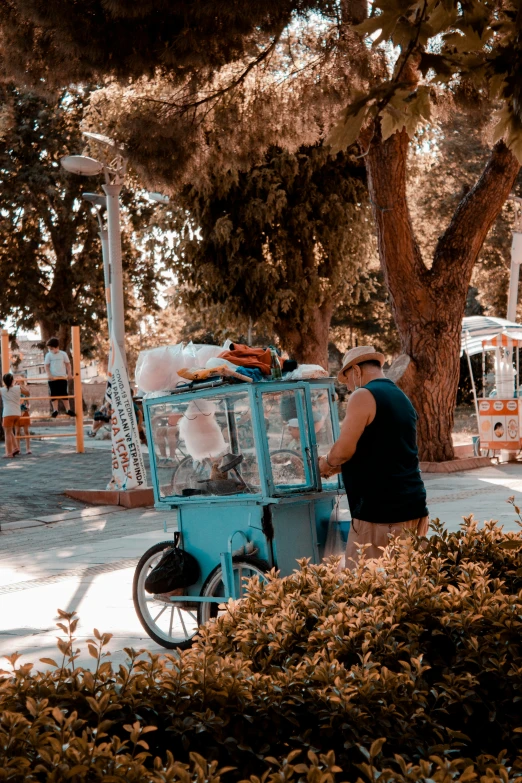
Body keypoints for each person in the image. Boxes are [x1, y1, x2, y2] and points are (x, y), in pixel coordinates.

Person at [318, 345, 428, 569]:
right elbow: (380, 455)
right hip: (413, 507)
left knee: (364, 589)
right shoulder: (400, 397)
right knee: (406, 588)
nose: (348, 388)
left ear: (356, 371)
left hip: (381, 514)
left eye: (347, 380)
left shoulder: (363, 395)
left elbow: (343, 451)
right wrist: (336, 468)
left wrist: (325, 463)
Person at [44, 337, 75, 418]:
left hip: (62, 377)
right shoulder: (48, 355)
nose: (50, 350)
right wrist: (49, 375)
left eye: (51, 348)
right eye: (49, 349)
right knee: (54, 395)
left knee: (64, 394)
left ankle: (68, 409)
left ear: (57, 347)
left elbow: (68, 364)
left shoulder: (63, 354)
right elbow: (46, 366)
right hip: (52, 378)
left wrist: (69, 374)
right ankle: (55, 410)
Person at [1, 373, 29, 458]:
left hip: (7, 414)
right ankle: (16, 447)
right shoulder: (18, 388)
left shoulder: (2, 390)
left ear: (4, 382)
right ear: (13, 380)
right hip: (17, 414)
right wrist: (21, 385)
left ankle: (9, 453)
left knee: (7, 433)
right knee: (9, 431)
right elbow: (28, 393)